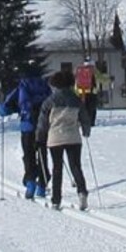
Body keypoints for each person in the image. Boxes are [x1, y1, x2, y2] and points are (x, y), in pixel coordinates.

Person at [38, 68, 92, 210]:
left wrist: (40, 138)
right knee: (76, 167)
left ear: (55, 85)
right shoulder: (76, 99)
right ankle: (82, 192)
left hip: (55, 138)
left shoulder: (49, 101)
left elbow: (43, 122)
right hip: (74, 137)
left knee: (57, 169)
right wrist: (86, 131)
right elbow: (84, 117)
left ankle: (56, 200)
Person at [0, 68, 52, 199]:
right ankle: (42, 183)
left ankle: (30, 182)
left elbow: (6, 106)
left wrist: (4, 111)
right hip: (43, 126)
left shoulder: (22, 86)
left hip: (27, 125)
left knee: (28, 154)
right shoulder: (44, 85)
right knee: (42, 153)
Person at [75, 56, 99, 130]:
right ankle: (91, 122)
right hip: (92, 93)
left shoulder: (79, 70)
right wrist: (109, 79)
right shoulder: (94, 71)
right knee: (92, 109)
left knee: (82, 108)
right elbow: (101, 78)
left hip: (80, 93)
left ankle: (81, 121)